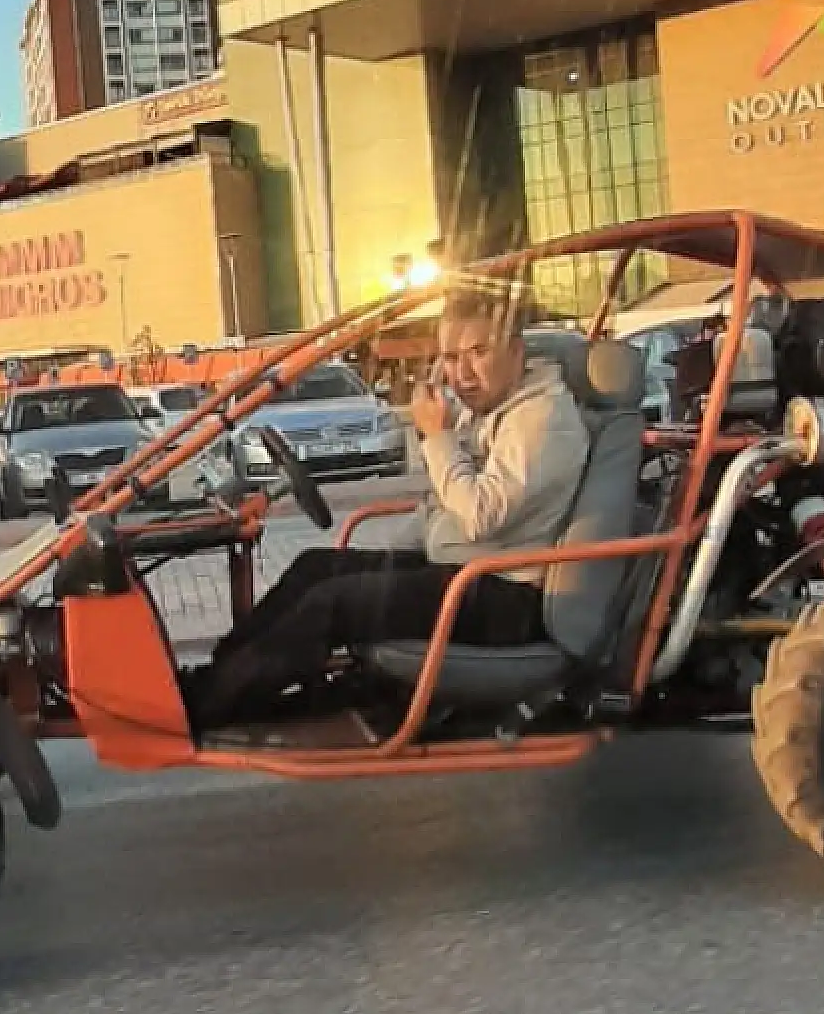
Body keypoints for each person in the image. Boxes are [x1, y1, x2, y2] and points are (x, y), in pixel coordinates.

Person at [184, 283, 593, 731]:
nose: (463, 374)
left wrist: (438, 438)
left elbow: (479, 516)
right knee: (316, 567)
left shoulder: (542, 419)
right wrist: (386, 563)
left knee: (332, 603)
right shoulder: (491, 411)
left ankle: (208, 706)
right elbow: (443, 505)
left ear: (516, 351)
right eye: (451, 359)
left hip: (506, 595)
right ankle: (216, 678)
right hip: (465, 570)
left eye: (478, 352)